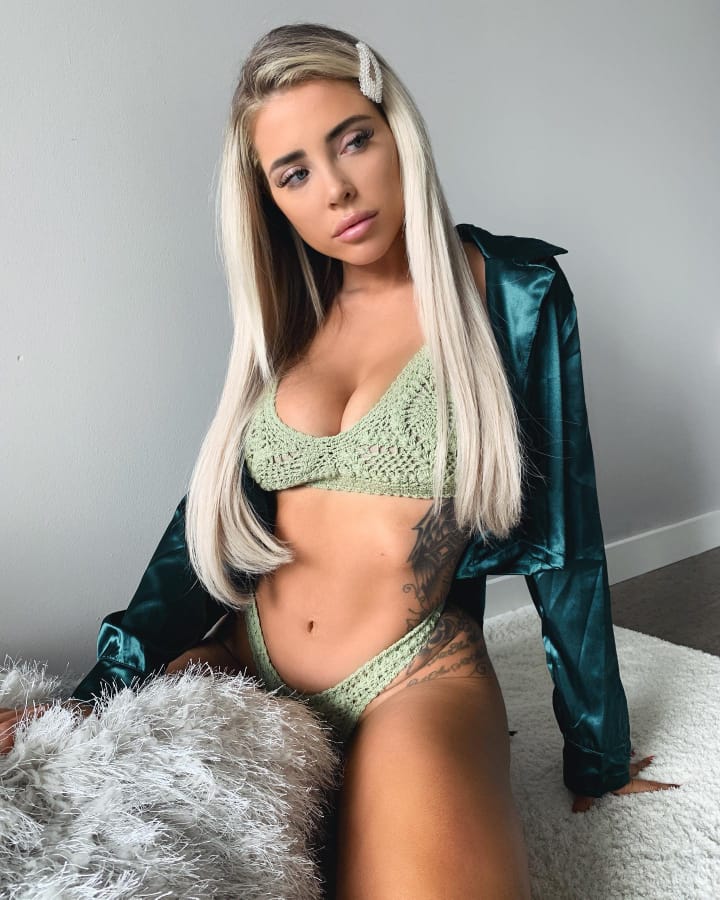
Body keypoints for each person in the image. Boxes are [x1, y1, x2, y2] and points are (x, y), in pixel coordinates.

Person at [1, 23, 680, 899]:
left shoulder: (511, 294)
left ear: (398, 132)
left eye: (352, 139)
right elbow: (203, 533)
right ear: (272, 201)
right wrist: (96, 692)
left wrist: (598, 753)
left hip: (411, 676)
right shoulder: (288, 316)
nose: (337, 189)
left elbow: (566, 544)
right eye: (295, 173)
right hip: (247, 656)